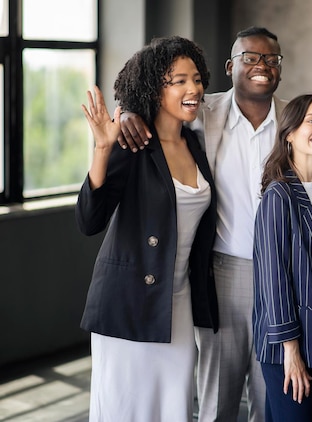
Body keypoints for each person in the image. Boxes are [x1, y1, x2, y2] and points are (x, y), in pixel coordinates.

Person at [118, 26, 287, 422]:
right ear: (231, 67)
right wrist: (125, 111)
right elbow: (153, 102)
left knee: (272, 398)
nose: (261, 65)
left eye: (271, 59)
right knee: (216, 400)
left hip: (283, 274)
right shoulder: (201, 112)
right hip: (223, 271)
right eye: (251, 57)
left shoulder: (296, 120)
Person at [75, 36, 217, 421]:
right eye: (180, 81)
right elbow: (89, 220)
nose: (194, 89)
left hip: (178, 304)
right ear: (155, 88)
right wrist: (102, 149)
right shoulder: (131, 143)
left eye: (197, 79)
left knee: (174, 408)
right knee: (126, 410)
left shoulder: (196, 143)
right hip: (128, 304)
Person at [252, 94, 312, 422]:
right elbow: (273, 279)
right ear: (289, 133)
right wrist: (290, 351)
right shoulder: (279, 195)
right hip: (288, 347)